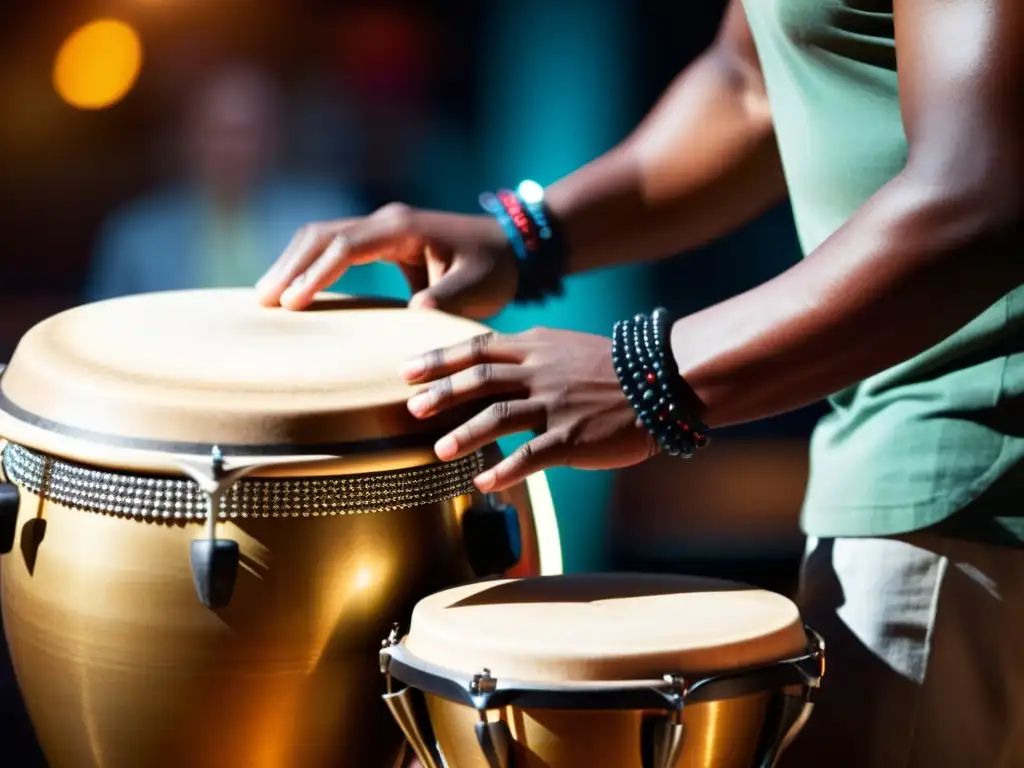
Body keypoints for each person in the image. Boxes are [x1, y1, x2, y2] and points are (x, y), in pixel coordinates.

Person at [257, 0, 1024, 764]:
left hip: (974, 474)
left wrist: (648, 375)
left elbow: (976, 194)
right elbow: (749, 80)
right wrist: (524, 238)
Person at [85, 62, 402, 302]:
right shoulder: (137, 236)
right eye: (219, 131)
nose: (232, 148)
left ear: (275, 135)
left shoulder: (329, 214)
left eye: (247, 132)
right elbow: (98, 334)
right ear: (187, 136)